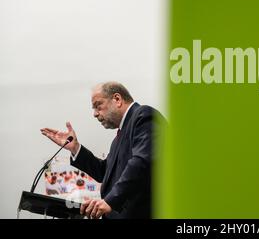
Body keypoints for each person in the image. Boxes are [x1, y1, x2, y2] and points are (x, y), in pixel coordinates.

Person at [40, 82, 165, 219]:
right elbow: (106, 172)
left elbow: (142, 162)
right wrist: (75, 148)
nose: (94, 114)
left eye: (98, 106)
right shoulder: (118, 138)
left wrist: (110, 200)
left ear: (117, 99)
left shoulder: (144, 115)